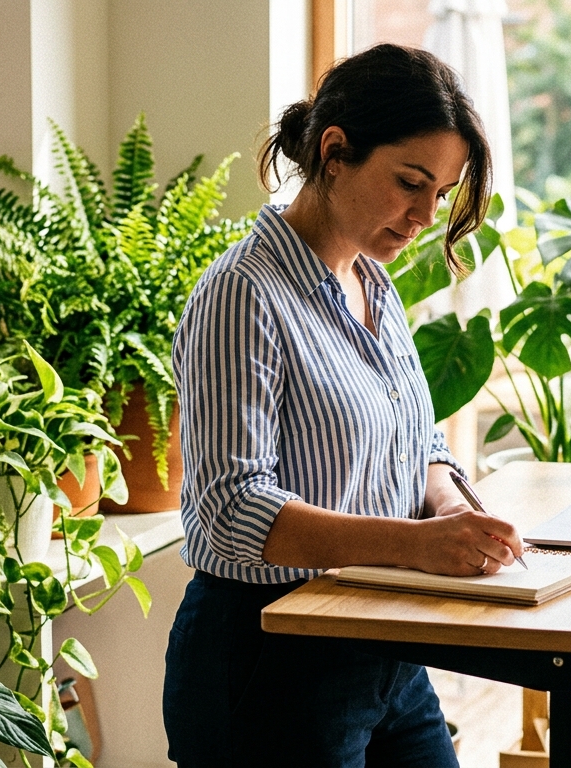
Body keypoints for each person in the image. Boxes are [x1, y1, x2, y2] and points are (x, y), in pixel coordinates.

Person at [162, 43, 525, 767]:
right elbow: (233, 509)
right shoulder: (245, 294)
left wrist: (450, 508)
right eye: (409, 183)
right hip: (267, 658)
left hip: (381, 644)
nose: (426, 214)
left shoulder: (373, 285)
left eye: (442, 193)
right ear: (334, 152)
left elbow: (418, 444)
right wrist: (415, 546)